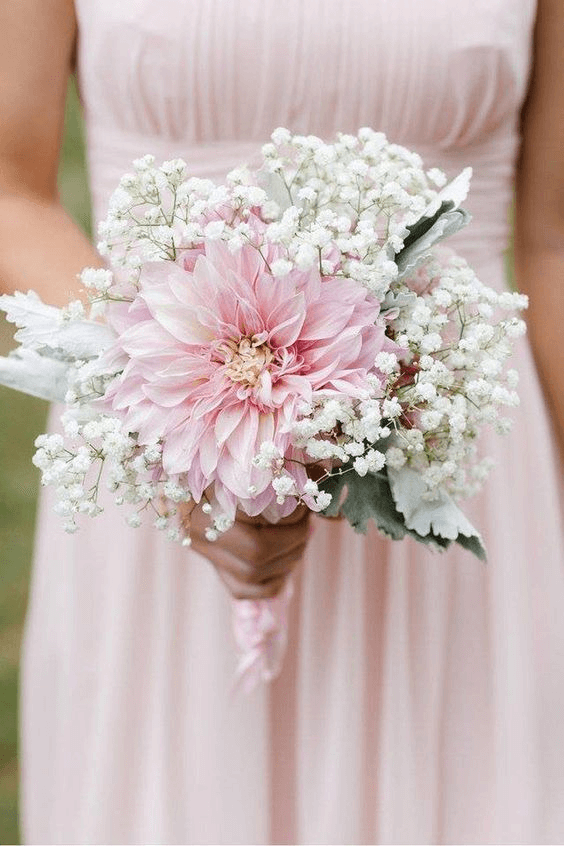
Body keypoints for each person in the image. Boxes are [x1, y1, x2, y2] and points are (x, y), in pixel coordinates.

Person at [1, 0, 563, 842]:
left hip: (458, 480)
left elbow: (553, 242)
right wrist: (169, 433)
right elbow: (11, 187)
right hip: (158, 458)